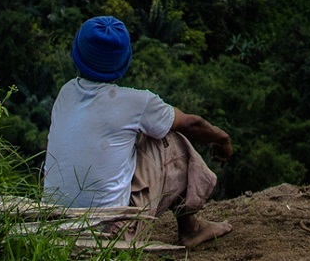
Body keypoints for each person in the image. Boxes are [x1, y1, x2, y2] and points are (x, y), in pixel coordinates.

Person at [44, 15, 234, 248]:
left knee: (138, 136)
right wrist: (222, 138)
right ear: (124, 63)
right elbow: (192, 124)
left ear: (77, 56)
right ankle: (190, 229)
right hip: (111, 232)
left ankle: (190, 227)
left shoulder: (66, 93)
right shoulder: (136, 103)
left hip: (55, 225)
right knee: (171, 138)